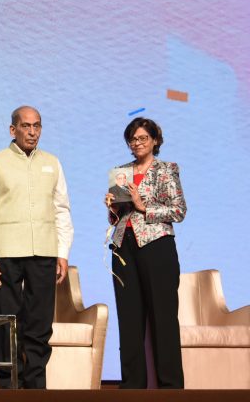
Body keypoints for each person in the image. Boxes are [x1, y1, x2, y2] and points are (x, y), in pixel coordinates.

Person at [0, 106, 74, 389]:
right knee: (8, 321)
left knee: (40, 323)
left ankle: (36, 386)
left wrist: (63, 252)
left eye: (37, 126)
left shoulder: (52, 162)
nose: (32, 132)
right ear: (12, 129)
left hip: (44, 250)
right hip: (6, 254)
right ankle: (9, 385)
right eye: (26, 126)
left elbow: (62, 210)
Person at [105, 117, 186, 389]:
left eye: (142, 138)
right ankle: (132, 386)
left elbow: (178, 211)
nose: (137, 143)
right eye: (132, 139)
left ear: (155, 141)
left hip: (157, 246)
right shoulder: (121, 172)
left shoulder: (166, 169)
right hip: (123, 247)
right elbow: (117, 217)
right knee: (129, 320)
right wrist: (113, 208)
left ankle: (171, 387)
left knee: (163, 319)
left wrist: (143, 207)